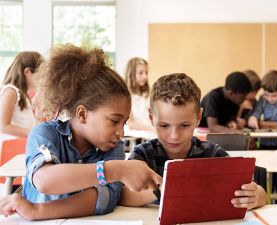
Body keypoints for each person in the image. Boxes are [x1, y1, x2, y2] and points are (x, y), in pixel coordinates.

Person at [0, 45, 161, 220]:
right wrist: (116, 170)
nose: (121, 132)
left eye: (124, 123)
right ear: (82, 114)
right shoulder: (44, 133)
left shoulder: (114, 149)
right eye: (115, 121)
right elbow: (45, 181)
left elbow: (103, 199)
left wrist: (38, 211)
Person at [119, 73, 267, 209]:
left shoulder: (212, 154)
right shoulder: (142, 155)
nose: (175, 136)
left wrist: (256, 197)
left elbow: (260, 193)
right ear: (152, 118)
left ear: (198, 118)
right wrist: (166, 189)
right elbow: (123, 196)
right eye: (164, 125)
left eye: (184, 125)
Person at [248, 70, 277, 148]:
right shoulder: (262, 98)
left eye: (274, 96)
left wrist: (262, 123)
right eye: (266, 95)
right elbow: (257, 113)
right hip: (264, 141)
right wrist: (253, 118)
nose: (269, 99)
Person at [0, 51, 43, 137]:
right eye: (40, 75)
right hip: (11, 146)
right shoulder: (10, 92)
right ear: (27, 72)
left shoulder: (22, 94)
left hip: (21, 144)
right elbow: (3, 127)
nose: (42, 79)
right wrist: (35, 132)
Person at [124, 57, 153, 131]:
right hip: (135, 135)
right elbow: (130, 123)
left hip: (148, 132)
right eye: (141, 73)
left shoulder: (145, 95)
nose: (145, 76)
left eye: (146, 73)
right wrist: (152, 128)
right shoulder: (126, 96)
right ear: (131, 74)